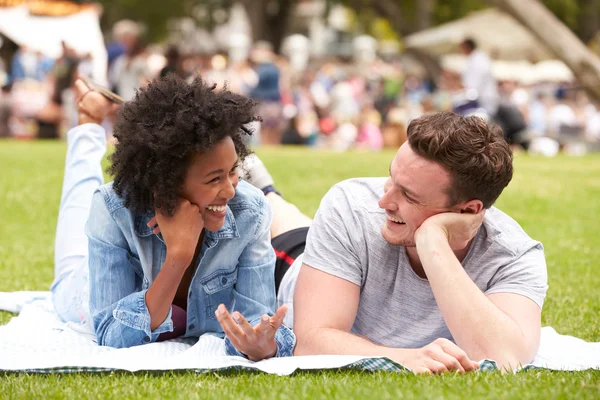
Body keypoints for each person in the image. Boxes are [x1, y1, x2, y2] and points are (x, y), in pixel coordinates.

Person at [258, 112, 547, 373]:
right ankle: (264, 187)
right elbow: (310, 341)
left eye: (408, 196)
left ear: (469, 211)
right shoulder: (352, 205)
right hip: (293, 264)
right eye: (390, 177)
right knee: (273, 213)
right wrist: (402, 358)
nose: (384, 201)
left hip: (348, 250)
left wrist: (433, 241)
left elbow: (506, 360)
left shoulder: (514, 255)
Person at [49, 75, 295, 360]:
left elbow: (256, 321)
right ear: (166, 182)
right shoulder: (114, 209)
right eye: (214, 179)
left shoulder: (250, 211)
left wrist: (262, 346)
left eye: (232, 171)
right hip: (84, 289)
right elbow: (112, 336)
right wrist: (178, 258)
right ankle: (89, 120)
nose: (229, 191)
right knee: (76, 228)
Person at [459, 38, 499, 116]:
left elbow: (475, 82)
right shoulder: (476, 59)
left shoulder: (479, 59)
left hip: (483, 99)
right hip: (480, 98)